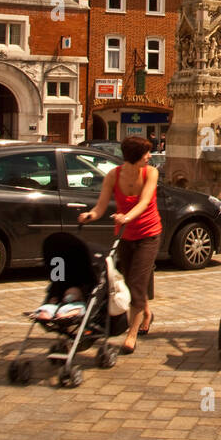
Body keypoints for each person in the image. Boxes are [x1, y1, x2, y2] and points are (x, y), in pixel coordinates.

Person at [79, 136, 160, 353]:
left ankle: (131, 334)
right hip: (125, 235)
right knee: (130, 279)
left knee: (136, 282)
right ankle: (146, 312)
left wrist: (127, 216)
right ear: (136, 157)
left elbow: (144, 202)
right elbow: (101, 206)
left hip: (149, 234)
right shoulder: (113, 176)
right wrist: (90, 215)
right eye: (146, 154)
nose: (150, 157)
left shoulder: (150, 173)